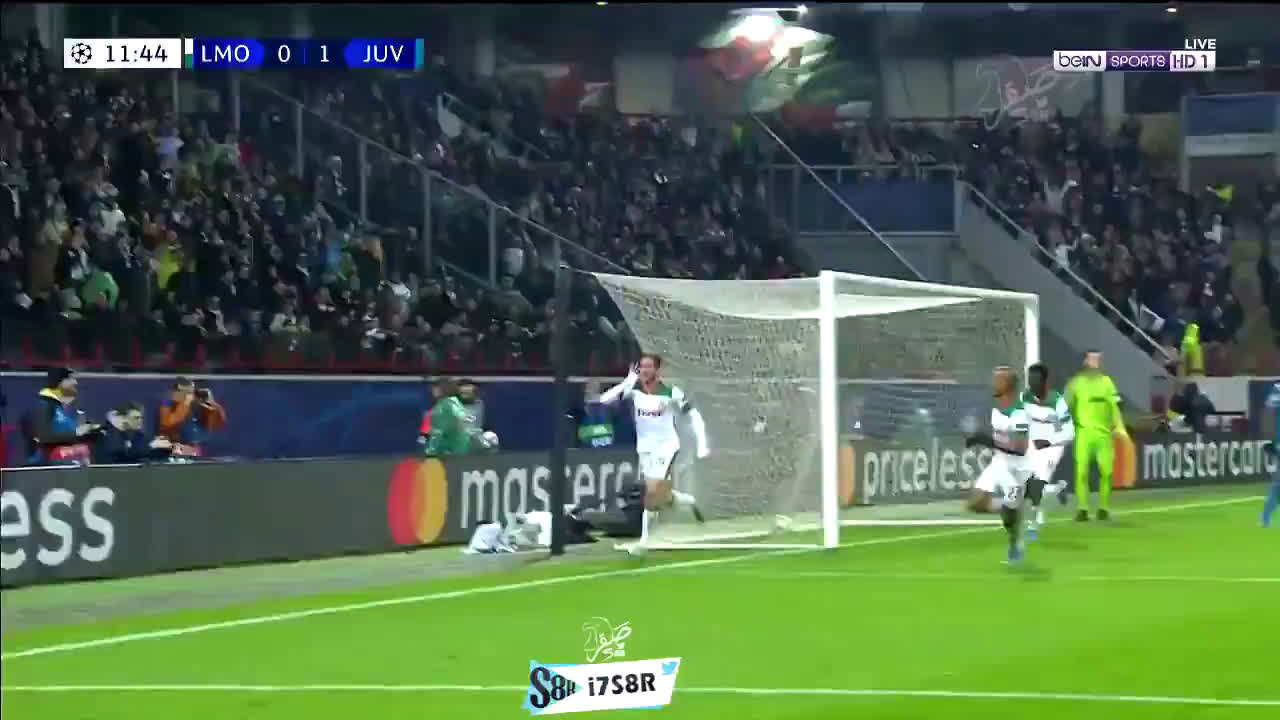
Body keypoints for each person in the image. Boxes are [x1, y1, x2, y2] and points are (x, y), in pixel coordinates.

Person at [598, 353, 710, 555]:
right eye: (642, 366)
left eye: (649, 366)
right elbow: (604, 400)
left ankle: (643, 542)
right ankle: (688, 501)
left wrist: (702, 444)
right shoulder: (635, 391)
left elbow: (694, 415)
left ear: (657, 370)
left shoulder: (670, 392)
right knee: (661, 496)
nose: (644, 370)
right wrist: (628, 380)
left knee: (650, 491)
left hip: (666, 447)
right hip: (645, 448)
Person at [963, 366, 1031, 564]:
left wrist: (988, 441)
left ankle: (1015, 542)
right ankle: (1009, 508)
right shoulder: (996, 410)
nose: (993, 384)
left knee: (1010, 517)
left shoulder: (1019, 413)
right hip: (999, 462)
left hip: (1017, 468)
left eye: (998, 381)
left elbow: (1021, 448)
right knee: (975, 504)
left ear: (1008, 385)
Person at [1065, 350, 1127, 521]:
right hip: (1084, 433)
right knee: (1081, 472)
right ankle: (1082, 508)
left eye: (1098, 358)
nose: (1096, 361)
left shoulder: (1107, 382)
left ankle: (1103, 508)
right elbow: (1065, 406)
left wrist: (1120, 426)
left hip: (1104, 435)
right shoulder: (1076, 383)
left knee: (1106, 472)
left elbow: (1115, 407)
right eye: (1093, 358)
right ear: (1085, 361)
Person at [1021, 363, 1074, 539]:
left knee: (1037, 483)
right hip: (1033, 445)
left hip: (1053, 447)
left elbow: (1069, 433)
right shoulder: (1025, 397)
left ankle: (1033, 523)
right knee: (1027, 485)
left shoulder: (1057, 403)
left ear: (1045, 381)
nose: (1032, 383)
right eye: (1030, 379)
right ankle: (1058, 488)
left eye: (1035, 380)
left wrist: (1049, 441)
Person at [20, 368, 103, 465]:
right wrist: (77, 432)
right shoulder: (43, 404)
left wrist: (89, 432)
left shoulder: (61, 408)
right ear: (60, 382)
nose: (75, 382)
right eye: (71, 378)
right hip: (46, 468)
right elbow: (44, 437)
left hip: (67, 467)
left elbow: (68, 436)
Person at [156, 377, 228, 455]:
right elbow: (167, 424)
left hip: (188, 444)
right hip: (172, 443)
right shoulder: (169, 403)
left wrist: (208, 403)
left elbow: (216, 420)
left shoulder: (200, 427)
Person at [96, 403, 172, 464]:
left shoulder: (137, 435)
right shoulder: (109, 435)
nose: (140, 421)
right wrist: (151, 445)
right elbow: (122, 454)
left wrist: (166, 449)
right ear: (124, 418)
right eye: (136, 418)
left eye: (141, 417)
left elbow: (145, 451)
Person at [422, 378, 474, 457]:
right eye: (434, 388)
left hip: (454, 451)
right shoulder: (444, 404)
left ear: (443, 389)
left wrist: (430, 451)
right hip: (455, 449)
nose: (433, 390)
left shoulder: (446, 404)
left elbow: (438, 432)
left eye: (436, 388)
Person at [1260, 382, 1280, 528]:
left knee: (1277, 484)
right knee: (1278, 484)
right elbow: (1268, 414)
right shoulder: (1278, 389)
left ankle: (1265, 518)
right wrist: (1270, 440)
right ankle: (1265, 518)